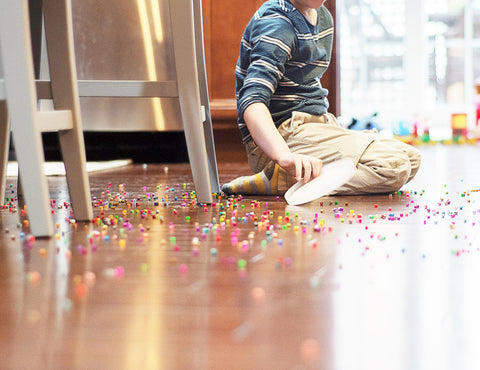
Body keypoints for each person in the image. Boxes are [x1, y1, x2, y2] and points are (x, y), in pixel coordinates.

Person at [221, 0, 421, 196]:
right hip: (284, 135)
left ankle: (296, 177)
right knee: (394, 167)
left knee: (411, 159)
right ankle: (280, 178)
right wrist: (283, 156)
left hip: (315, 126)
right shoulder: (277, 25)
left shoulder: (322, 16)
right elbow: (252, 103)